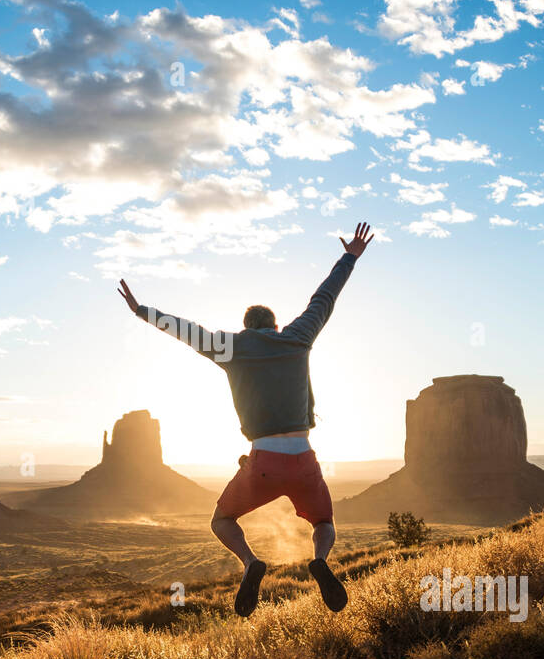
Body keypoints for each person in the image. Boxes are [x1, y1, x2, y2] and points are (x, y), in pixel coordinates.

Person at [117, 222, 374, 617]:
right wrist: (350, 256)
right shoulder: (297, 336)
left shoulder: (231, 347)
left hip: (262, 465)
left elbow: (188, 331)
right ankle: (320, 561)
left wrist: (141, 312)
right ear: (274, 325)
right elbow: (324, 298)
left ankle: (251, 563)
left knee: (222, 520)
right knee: (323, 521)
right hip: (304, 459)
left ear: (245, 328)